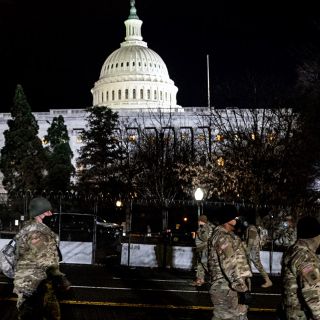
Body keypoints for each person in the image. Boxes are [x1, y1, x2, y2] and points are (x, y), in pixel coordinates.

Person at [13, 197, 70, 320]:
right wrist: (60, 278)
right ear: (39, 214)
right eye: (47, 212)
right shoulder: (36, 233)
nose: (51, 215)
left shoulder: (33, 228)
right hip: (33, 283)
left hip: (37, 281)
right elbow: (45, 259)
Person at [208, 204, 252, 320]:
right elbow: (229, 264)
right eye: (236, 218)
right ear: (228, 220)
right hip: (227, 290)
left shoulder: (230, 236)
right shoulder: (222, 237)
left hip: (231, 288)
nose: (239, 220)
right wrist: (242, 288)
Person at [281, 216, 320, 320]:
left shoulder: (293, 250)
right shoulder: (305, 257)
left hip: (290, 311)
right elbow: (313, 295)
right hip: (302, 315)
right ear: (316, 236)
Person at [244, 217, 273, 288]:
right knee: (250, 266)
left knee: (256, 265)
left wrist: (247, 250)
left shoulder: (251, 228)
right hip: (254, 249)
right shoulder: (254, 228)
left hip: (252, 250)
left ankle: (267, 281)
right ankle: (248, 284)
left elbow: (251, 240)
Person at [191, 214, 215, 286]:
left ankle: (215, 279)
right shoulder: (206, 226)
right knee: (200, 265)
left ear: (201, 221)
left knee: (205, 264)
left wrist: (199, 232)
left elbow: (205, 238)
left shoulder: (205, 227)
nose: (198, 222)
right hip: (202, 248)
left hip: (205, 248)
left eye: (199, 220)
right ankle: (199, 280)